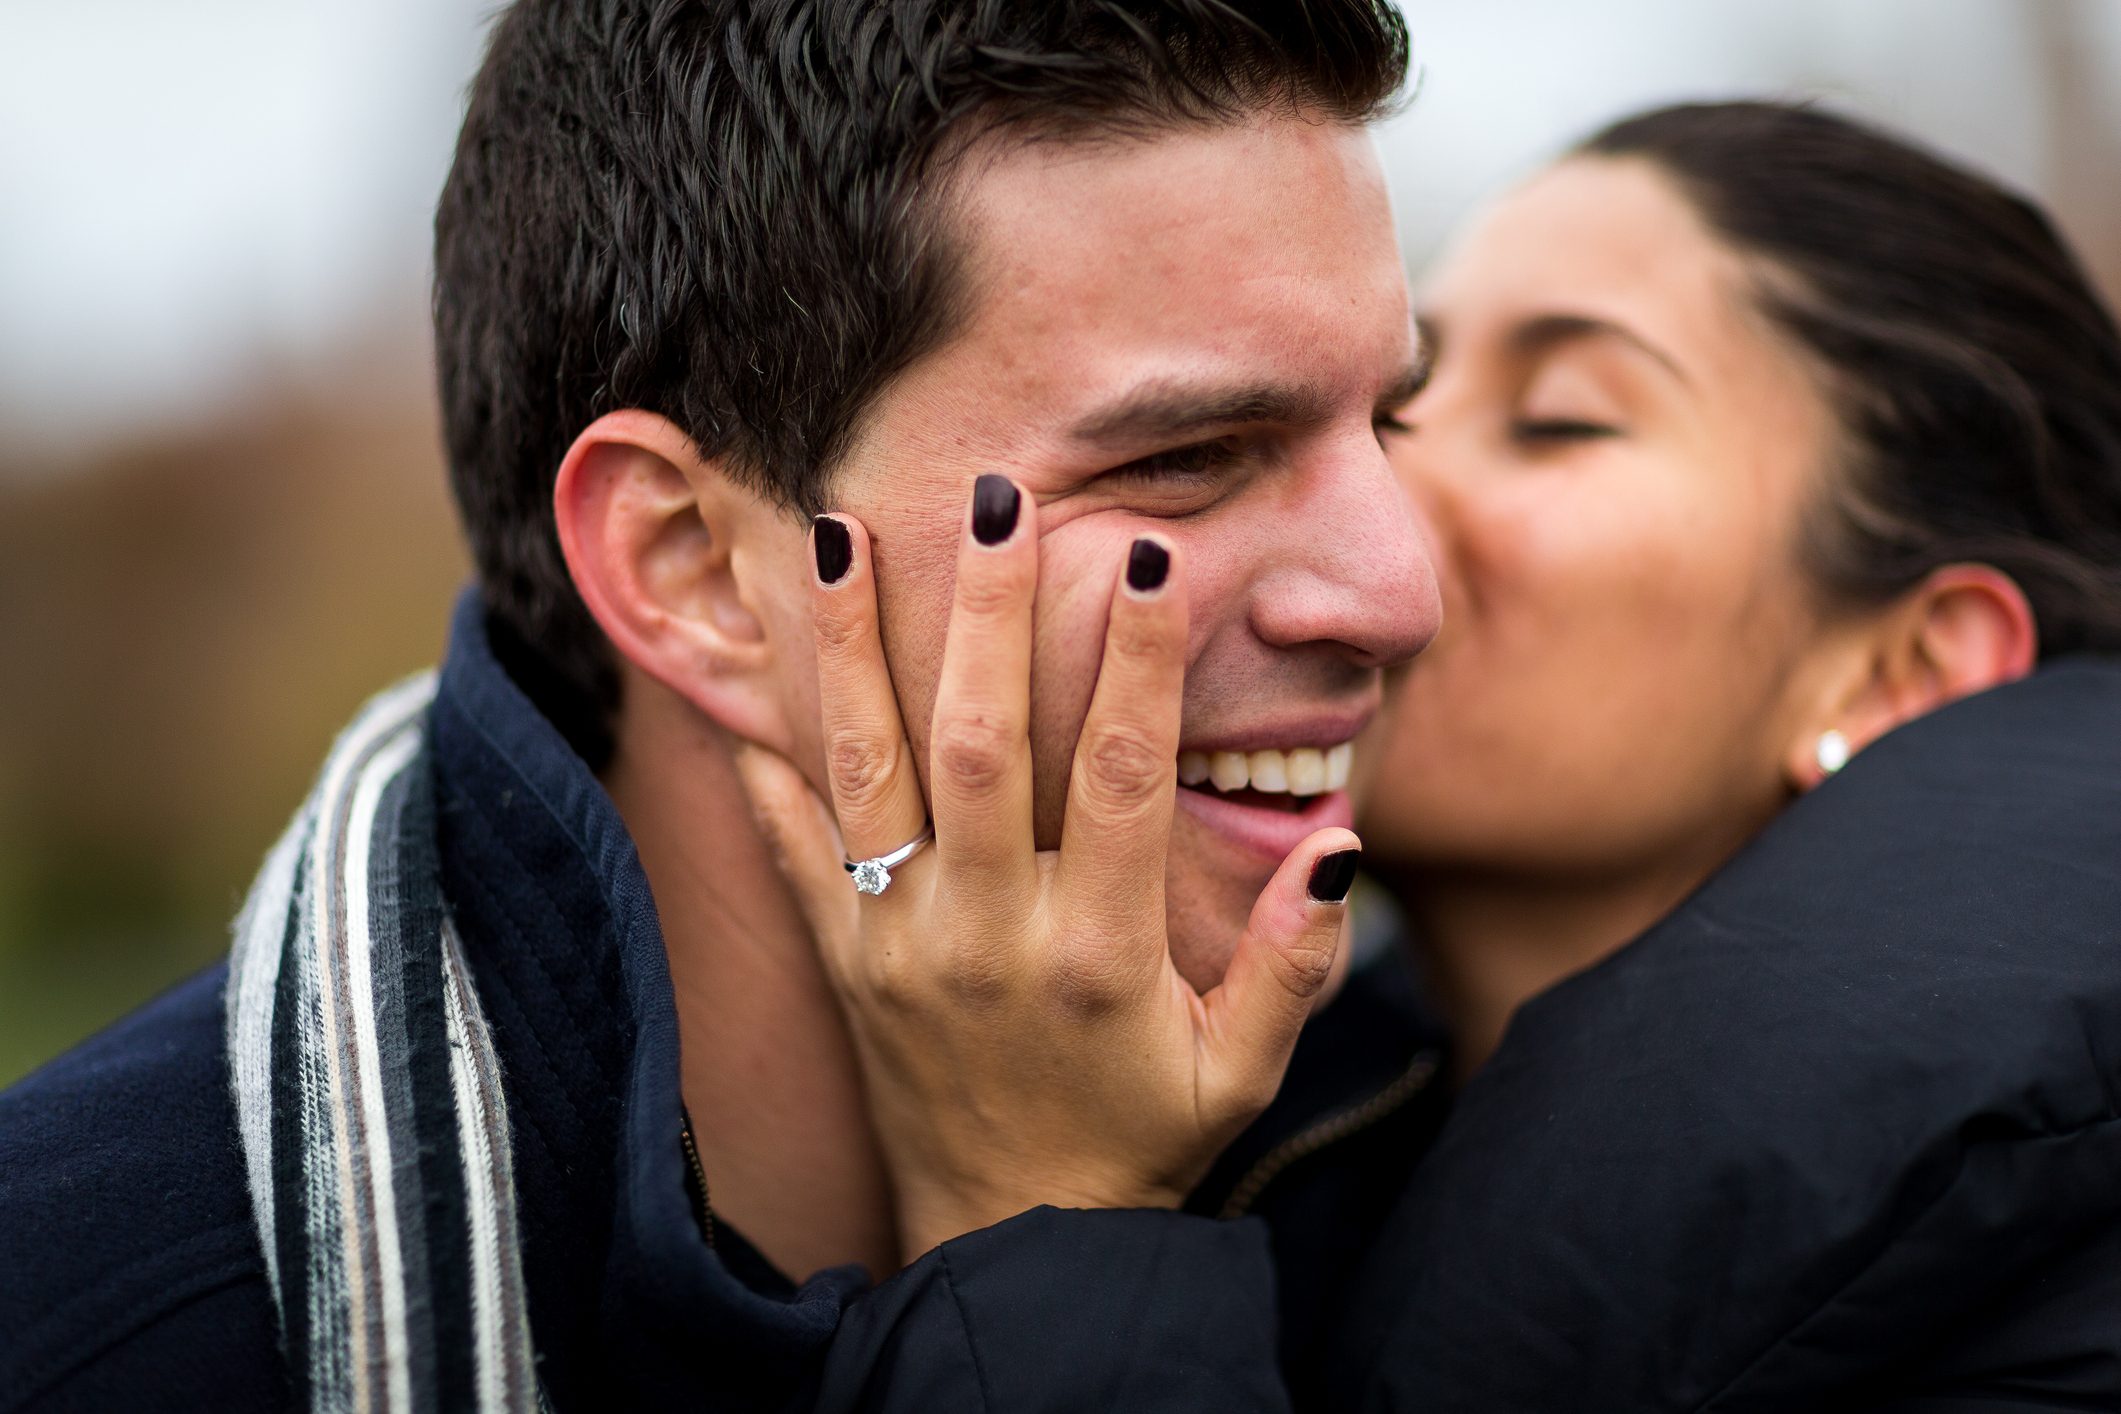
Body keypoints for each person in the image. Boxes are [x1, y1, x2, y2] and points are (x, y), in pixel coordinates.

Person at [0, 3, 1434, 1411]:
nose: (1398, 591)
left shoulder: (1441, 1177)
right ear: (691, 567)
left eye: (1388, 421)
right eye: (1187, 458)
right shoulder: (102, 1337)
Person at [746, 100, 2121, 1410]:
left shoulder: (2054, 1295)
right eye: (1403, 407)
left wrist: (1046, 1209)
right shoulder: (1318, 1133)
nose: (1374, 510)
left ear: (1902, 671)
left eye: (1558, 421)